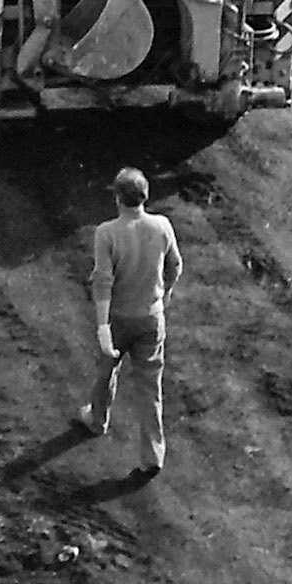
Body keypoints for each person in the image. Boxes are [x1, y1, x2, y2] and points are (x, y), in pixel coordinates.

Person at [78, 167, 183, 479]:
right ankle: (153, 455)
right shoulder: (162, 226)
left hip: (119, 319)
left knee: (106, 368)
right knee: (150, 388)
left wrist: (102, 326)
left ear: (117, 198)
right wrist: (166, 295)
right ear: (145, 195)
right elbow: (175, 265)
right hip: (151, 319)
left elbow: (102, 281)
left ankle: (97, 420)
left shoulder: (107, 233)